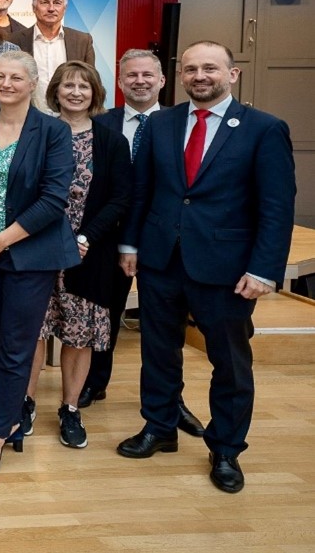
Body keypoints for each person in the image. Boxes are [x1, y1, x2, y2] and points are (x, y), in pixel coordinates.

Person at [116, 41, 295, 494]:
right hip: (160, 260)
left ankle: (227, 448)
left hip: (227, 268)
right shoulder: (160, 124)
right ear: (180, 76)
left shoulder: (263, 129)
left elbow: (276, 206)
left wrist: (264, 269)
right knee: (158, 351)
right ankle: (159, 427)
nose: (200, 76)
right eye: (192, 68)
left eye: (210, 68)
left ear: (231, 75)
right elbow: (143, 191)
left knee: (230, 363)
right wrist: (130, 242)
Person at [0, 50, 77, 482]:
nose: (6, 83)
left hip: (28, 257)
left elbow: (53, 200)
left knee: (14, 346)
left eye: (16, 77)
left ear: (32, 83)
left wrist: (1, 241)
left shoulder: (53, 131)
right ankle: (8, 422)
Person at [84, 49, 204, 435]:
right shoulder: (101, 123)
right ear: (119, 82)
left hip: (162, 240)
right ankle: (94, 383)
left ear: (162, 80)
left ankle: (171, 402)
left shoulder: (179, 124)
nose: (139, 81)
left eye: (147, 75)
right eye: (131, 75)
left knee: (162, 329)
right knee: (105, 313)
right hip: (107, 236)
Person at [22, 61, 130, 449]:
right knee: (32, 331)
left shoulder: (112, 141)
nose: (76, 92)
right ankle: (25, 402)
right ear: (55, 91)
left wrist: (86, 236)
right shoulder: (37, 133)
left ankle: (70, 409)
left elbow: (120, 198)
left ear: (95, 92)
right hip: (35, 249)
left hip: (88, 253)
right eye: (68, 85)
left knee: (79, 335)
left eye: (84, 86)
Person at [9, 0, 96, 104]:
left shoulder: (82, 40)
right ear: (34, 7)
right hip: (27, 114)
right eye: (45, 2)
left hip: (69, 113)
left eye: (57, 3)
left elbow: (91, 82)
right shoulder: (13, 41)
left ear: (64, 9)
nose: (51, 8)